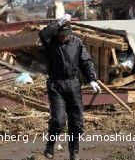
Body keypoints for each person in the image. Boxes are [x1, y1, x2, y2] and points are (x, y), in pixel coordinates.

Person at [39, 14, 101, 160]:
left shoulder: (77, 43)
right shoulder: (51, 43)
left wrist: (92, 79)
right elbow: (44, 33)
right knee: (59, 120)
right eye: (60, 35)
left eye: (65, 36)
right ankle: (50, 144)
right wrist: (60, 21)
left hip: (73, 84)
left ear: (70, 34)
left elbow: (86, 61)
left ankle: (74, 152)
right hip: (56, 84)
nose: (63, 38)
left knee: (77, 121)